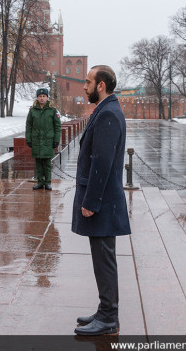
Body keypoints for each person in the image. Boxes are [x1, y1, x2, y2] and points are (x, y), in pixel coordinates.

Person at [72, 65, 131, 336]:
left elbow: (102, 163)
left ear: (101, 86)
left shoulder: (108, 113)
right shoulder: (107, 110)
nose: (84, 87)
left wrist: (91, 202)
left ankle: (108, 317)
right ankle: (105, 309)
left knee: (104, 259)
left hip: (103, 202)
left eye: (88, 82)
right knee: (102, 258)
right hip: (103, 200)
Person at [25, 88, 61, 190]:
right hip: (36, 140)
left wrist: (56, 140)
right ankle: (40, 182)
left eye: (44, 96)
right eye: (40, 96)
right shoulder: (32, 111)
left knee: (47, 163)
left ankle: (48, 182)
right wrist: (28, 139)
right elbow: (28, 126)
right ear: (37, 98)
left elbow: (57, 127)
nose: (42, 98)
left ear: (47, 97)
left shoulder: (53, 110)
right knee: (38, 163)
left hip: (48, 140)